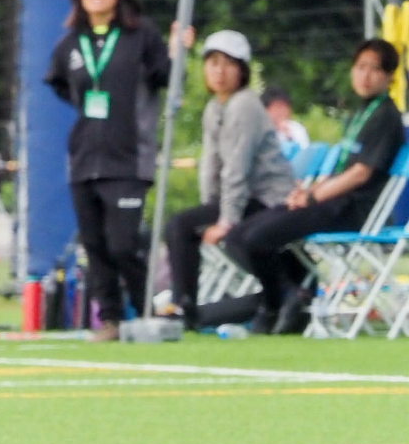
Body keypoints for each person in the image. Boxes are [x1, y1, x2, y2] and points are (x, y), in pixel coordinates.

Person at [45, 0, 190, 342]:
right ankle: (109, 320)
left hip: (127, 158)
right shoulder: (70, 43)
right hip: (83, 159)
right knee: (93, 245)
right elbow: (61, 84)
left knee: (123, 244)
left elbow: (166, 77)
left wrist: (178, 51)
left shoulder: (141, 35)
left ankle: (147, 310)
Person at [218, 39, 404, 334]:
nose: (365, 76)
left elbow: (360, 174)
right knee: (238, 235)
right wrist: (306, 190)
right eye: (360, 67)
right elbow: (343, 165)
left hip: (353, 209)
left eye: (375, 70)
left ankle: (276, 304)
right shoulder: (359, 113)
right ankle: (292, 293)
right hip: (329, 200)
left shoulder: (386, 116)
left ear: (390, 76)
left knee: (257, 238)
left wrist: (313, 195)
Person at [163, 31, 294, 326]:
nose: (219, 72)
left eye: (228, 64)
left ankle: (185, 307)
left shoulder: (244, 104)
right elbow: (210, 164)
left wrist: (225, 220)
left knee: (180, 226)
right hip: (243, 198)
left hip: (267, 199)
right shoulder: (214, 108)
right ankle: (185, 305)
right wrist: (209, 207)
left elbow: (237, 167)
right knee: (181, 225)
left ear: (242, 70)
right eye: (212, 63)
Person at [261, 85, 310, 158]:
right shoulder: (260, 130)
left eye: (285, 107)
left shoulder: (297, 129)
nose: (282, 112)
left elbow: (305, 155)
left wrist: (288, 135)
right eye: (277, 107)